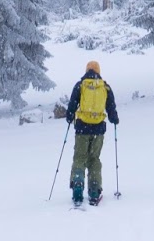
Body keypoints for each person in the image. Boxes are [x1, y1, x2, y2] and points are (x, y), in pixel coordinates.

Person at [65, 59, 119, 206]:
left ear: (87, 70)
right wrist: (114, 119)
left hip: (82, 128)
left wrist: (69, 116)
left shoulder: (80, 85)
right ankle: (94, 191)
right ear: (98, 71)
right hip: (98, 130)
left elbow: (72, 104)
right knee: (94, 158)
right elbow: (111, 107)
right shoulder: (105, 87)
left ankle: (77, 185)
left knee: (80, 157)